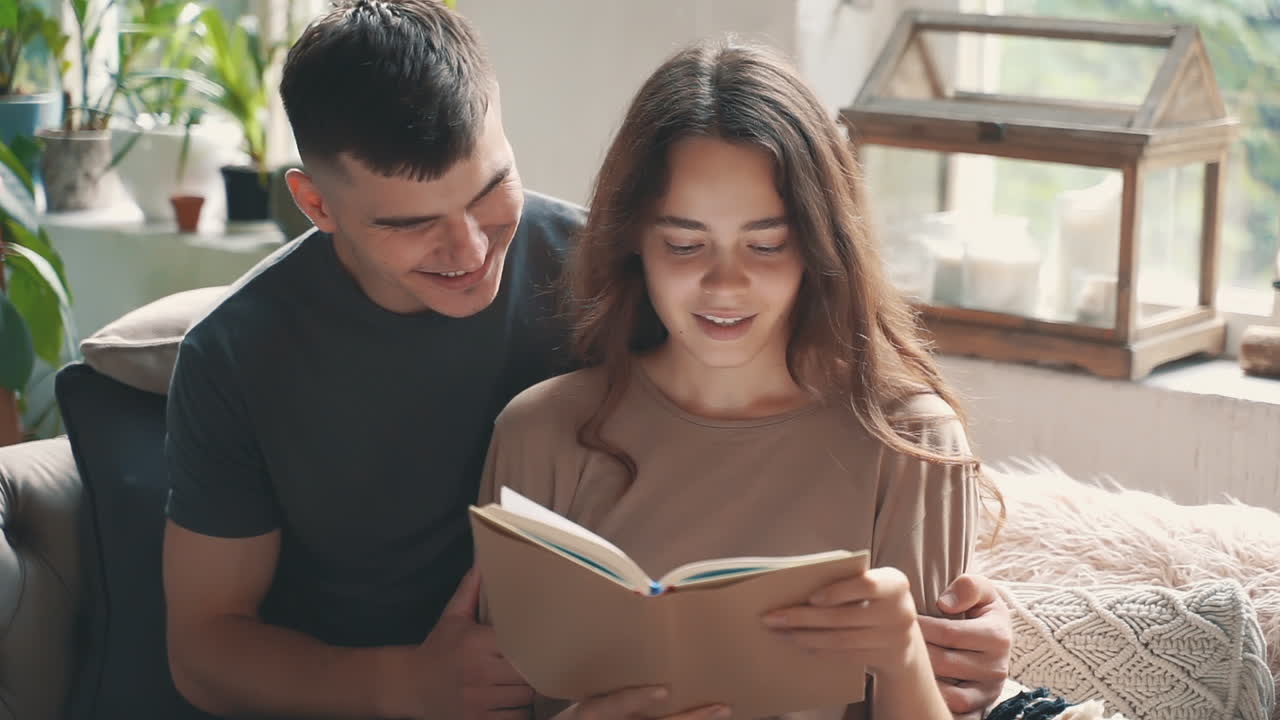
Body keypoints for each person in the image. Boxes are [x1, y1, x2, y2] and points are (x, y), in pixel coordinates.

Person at [159, 1, 1008, 718]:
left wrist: (951, 640)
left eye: (489, 191)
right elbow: (202, 649)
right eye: (411, 224)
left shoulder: (604, 272)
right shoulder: (242, 357)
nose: (470, 250)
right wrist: (403, 685)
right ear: (316, 204)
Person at [477, 37, 1008, 720]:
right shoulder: (542, 432)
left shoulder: (909, 439)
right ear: (635, 240)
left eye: (765, 244)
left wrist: (903, 654)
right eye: (684, 244)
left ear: (819, 243)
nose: (724, 283)